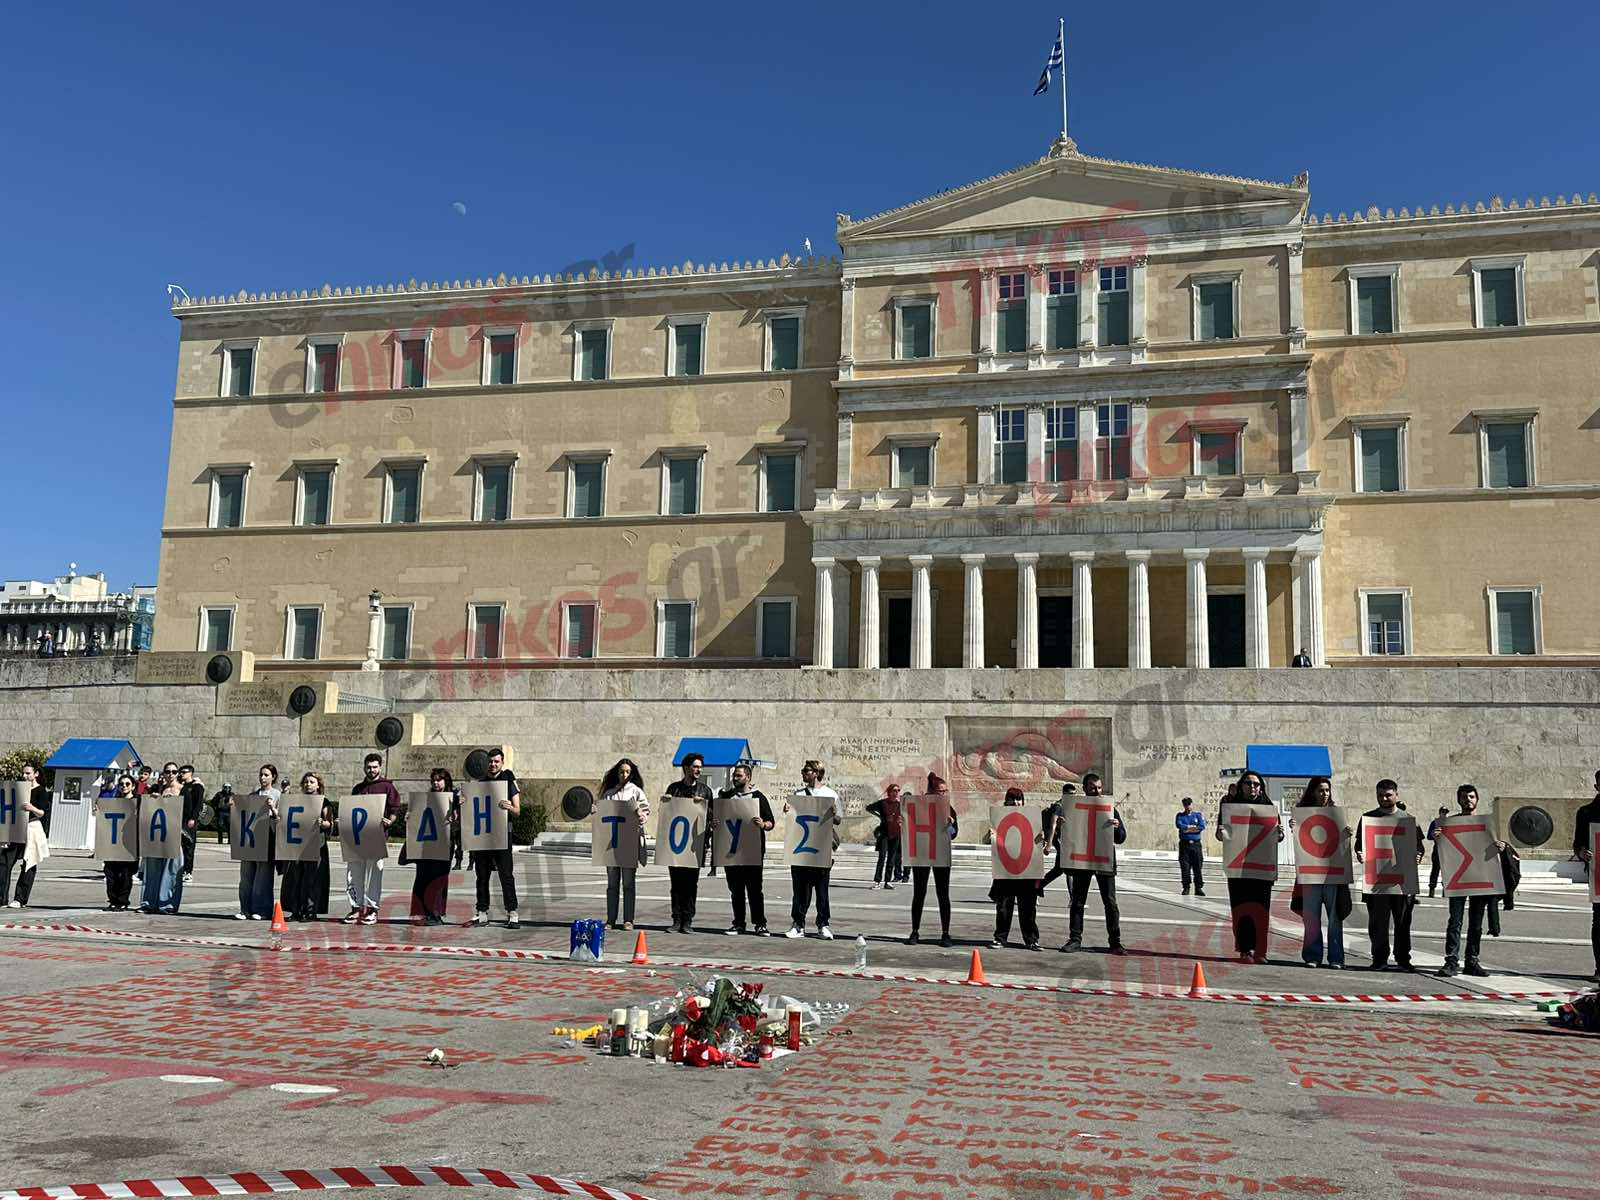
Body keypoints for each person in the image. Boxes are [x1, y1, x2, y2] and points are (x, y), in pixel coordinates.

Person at [1354, 778, 1425, 972]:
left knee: (1402, 923)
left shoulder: (1407, 819)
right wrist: (1359, 853)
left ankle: (1403, 959)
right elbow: (1359, 845)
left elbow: (1419, 847)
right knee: (1377, 923)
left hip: (1402, 882)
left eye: (1388, 795)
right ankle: (1379, 959)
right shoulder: (1368, 819)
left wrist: (1418, 855)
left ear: (1396, 795)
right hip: (1377, 880)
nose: (1384, 798)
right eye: (1380, 795)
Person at [1216, 769, 1285, 963]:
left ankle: (1260, 950)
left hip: (1261, 869)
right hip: (1238, 868)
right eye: (1248, 783)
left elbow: (1278, 837)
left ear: (1261, 788)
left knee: (1261, 910)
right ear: (1241, 786)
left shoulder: (1269, 807)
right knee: (1240, 909)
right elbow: (1220, 834)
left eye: (1256, 784)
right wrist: (1221, 833)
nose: (1252, 787)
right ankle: (1245, 949)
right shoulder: (1231, 807)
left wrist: (1279, 833)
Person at [1438, 784, 1505, 978]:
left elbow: (1497, 848)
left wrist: (1500, 846)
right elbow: (1443, 850)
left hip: (1480, 877)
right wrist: (1438, 837)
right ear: (1458, 800)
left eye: (1471, 797)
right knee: (1455, 921)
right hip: (1459, 878)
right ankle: (1451, 960)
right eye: (1464, 797)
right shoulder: (1451, 823)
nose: (1468, 800)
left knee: (1476, 923)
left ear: (1477, 799)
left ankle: (1472, 960)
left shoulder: (1488, 824)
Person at [1056, 773, 1127, 956]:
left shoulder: (1109, 808)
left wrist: (1117, 826)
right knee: (1078, 902)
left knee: (1110, 903)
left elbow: (1121, 838)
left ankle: (1115, 942)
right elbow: (1065, 837)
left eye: (1099, 787)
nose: (1097, 791)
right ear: (1085, 788)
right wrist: (1060, 827)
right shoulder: (1073, 809)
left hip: (1104, 861)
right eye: (1093, 787)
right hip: (1083, 861)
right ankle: (1075, 939)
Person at [1290, 776, 1351, 969]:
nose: (1324, 794)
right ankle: (1312, 956)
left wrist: (1346, 833)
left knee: (1334, 919)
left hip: (1332, 875)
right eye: (1320, 790)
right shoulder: (1302, 815)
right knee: (1311, 918)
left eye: (1327, 790)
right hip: (1310, 876)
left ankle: (1336, 958)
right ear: (1312, 792)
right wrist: (1295, 828)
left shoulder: (1336, 814)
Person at [785, 759, 841, 940]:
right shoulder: (798, 794)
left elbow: (839, 820)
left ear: (816, 773)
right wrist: (788, 809)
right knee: (800, 890)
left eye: (806, 770)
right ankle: (798, 924)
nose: (803, 773)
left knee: (822, 890)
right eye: (803, 770)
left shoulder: (830, 794)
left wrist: (833, 813)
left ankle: (823, 924)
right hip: (801, 848)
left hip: (821, 848)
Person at [718, 763, 774, 936]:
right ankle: (739, 923)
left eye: (739, 775)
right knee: (736, 889)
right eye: (734, 775)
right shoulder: (727, 797)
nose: (735, 778)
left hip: (752, 850)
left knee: (755, 889)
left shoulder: (758, 798)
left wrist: (763, 824)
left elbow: (771, 822)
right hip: (732, 851)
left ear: (748, 777)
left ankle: (760, 924)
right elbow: (717, 819)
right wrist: (715, 823)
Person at [346, 752, 401, 925]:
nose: (371, 770)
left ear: (380, 767)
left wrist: (389, 821)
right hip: (357, 838)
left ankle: (372, 909)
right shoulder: (358, 788)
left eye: (374, 767)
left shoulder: (387, 787)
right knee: (353, 873)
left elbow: (395, 809)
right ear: (364, 767)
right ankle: (356, 908)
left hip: (377, 836)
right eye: (369, 767)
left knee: (374, 873)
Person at [472, 747, 521, 929]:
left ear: (502, 762)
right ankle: (482, 912)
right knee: (481, 876)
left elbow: (517, 810)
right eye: (491, 761)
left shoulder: (508, 781)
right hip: (483, 836)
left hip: (502, 836)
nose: (493, 764)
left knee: (506, 876)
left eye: (496, 761)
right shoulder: (480, 782)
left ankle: (512, 912)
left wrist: (509, 807)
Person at [663, 752, 712, 933]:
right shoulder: (674, 788)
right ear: (686, 768)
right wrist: (665, 802)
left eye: (700, 766)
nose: (698, 769)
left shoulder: (705, 791)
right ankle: (676, 919)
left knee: (691, 884)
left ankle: (688, 920)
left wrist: (703, 805)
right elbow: (666, 815)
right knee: (676, 884)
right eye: (695, 766)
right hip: (675, 845)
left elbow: (712, 818)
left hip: (695, 845)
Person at [908, 773, 959, 947]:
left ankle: (945, 933)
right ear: (931, 791)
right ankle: (915, 931)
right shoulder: (918, 806)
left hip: (941, 854)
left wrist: (950, 825)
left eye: (945, 792)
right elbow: (910, 827)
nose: (943, 795)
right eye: (940, 792)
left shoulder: (949, 809)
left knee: (943, 894)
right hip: (922, 853)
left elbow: (954, 834)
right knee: (919, 893)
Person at [598, 757, 648, 931]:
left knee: (628, 883)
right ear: (617, 773)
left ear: (631, 773)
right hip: (611, 843)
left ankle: (628, 919)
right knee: (612, 884)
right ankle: (610, 919)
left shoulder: (636, 792)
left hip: (629, 842)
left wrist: (641, 816)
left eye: (627, 771)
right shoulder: (609, 793)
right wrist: (595, 811)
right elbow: (602, 813)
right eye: (621, 771)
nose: (624, 774)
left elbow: (645, 811)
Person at [989, 786, 1041, 951]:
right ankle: (1000, 938)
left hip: (1027, 870)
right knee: (1004, 907)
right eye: (1012, 799)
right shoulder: (998, 819)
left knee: (1028, 908)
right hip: (1005, 870)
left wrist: (1042, 839)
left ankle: (1031, 939)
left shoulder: (1032, 819)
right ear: (1006, 802)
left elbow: (1038, 844)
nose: (1016, 802)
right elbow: (990, 841)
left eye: (1019, 799)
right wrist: (990, 837)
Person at [280, 772, 333, 922]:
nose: (308, 784)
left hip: (316, 844)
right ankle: (295, 910)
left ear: (318, 785)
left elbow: (329, 822)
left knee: (312, 878)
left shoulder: (324, 802)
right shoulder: (297, 801)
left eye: (312, 782)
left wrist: (323, 824)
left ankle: (310, 911)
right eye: (306, 782)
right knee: (296, 878)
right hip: (298, 844)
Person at [411, 768, 458, 926]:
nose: (435, 783)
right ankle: (424, 912)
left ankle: (436, 913)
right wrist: (410, 817)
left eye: (439, 780)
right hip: (426, 844)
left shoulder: (454, 799)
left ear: (446, 781)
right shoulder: (425, 798)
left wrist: (456, 816)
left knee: (439, 879)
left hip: (445, 844)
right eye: (433, 780)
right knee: (424, 876)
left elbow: (461, 822)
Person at [1, 764, 51, 909]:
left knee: (29, 863)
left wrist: (31, 808)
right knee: (4, 862)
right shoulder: (18, 789)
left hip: (31, 827)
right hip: (16, 828)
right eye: (23, 773)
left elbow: (42, 813)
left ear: (36, 774)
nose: (25, 776)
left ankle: (20, 898)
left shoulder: (41, 791)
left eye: (28, 773)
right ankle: (1, 897)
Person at [235, 765, 280, 921]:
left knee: (263, 877)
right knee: (246, 876)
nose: (262, 778)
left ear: (273, 777)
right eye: (261, 774)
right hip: (250, 839)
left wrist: (273, 809)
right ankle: (244, 909)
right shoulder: (253, 795)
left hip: (267, 838)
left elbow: (281, 819)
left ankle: (262, 909)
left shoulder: (277, 795)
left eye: (266, 775)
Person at [139, 763, 186, 914]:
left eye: (174, 771)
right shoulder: (157, 789)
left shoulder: (183, 790)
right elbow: (145, 807)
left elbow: (189, 812)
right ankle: (149, 902)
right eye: (167, 771)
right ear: (163, 773)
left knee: (171, 870)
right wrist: (154, 798)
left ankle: (167, 903)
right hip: (157, 835)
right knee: (152, 869)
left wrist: (173, 800)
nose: (170, 774)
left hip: (174, 834)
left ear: (177, 773)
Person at [99, 774, 139, 910]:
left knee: (125, 874)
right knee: (110, 873)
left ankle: (123, 901)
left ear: (133, 786)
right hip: (113, 842)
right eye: (121, 784)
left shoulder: (138, 802)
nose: (124, 786)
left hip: (129, 843)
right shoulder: (113, 801)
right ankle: (112, 900)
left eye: (127, 784)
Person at [1575, 770, 1600, 984]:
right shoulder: (1586, 812)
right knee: (1599, 922)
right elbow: (1577, 844)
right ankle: (1599, 967)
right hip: (1598, 876)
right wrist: (1582, 853)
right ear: (1597, 786)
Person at [866, 783, 903, 890]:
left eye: (898, 790)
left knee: (891, 858)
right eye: (894, 790)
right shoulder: (883, 803)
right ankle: (877, 881)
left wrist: (901, 821)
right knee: (882, 857)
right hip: (884, 833)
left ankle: (887, 881)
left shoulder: (900, 805)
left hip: (896, 833)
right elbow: (869, 808)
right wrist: (880, 816)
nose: (896, 793)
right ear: (889, 792)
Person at [176, 765, 205, 882]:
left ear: (191, 773)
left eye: (184, 772)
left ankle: (188, 871)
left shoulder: (197, 787)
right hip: (179, 818)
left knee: (189, 845)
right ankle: (180, 869)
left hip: (189, 820)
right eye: (180, 772)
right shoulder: (181, 786)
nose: (181, 774)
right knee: (180, 846)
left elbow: (198, 804)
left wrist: (193, 818)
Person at [1176, 796, 1206, 896]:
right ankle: (1186, 887)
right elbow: (1180, 825)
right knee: (1185, 867)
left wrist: (1188, 829)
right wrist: (1193, 827)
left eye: (1189, 804)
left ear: (1192, 804)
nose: (1187, 806)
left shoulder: (1198, 815)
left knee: (1197, 866)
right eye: (1185, 804)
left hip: (1196, 844)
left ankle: (1198, 887)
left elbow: (1201, 826)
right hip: (1185, 844)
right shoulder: (1180, 816)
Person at [1425, 806, 1449, 898]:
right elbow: (1429, 836)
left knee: (1446, 871)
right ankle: (1432, 890)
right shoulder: (1434, 823)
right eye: (1443, 812)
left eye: (1446, 812)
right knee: (1435, 870)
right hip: (1437, 849)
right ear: (1440, 813)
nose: (1445, 814)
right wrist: (1434, 833)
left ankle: (1445, 891)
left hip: (1447, 850)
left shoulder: (1449, 823)